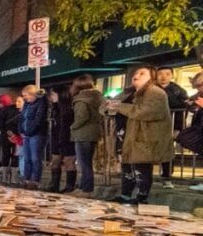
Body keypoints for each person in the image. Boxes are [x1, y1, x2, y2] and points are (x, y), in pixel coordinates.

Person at [106, 66, 171, 205]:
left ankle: (142, 197)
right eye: (136, 73)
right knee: (127, 166)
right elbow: (105, 107)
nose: (137, 75)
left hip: (144, 136)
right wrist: (108, 107)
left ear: (151, 77)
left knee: (141, 166)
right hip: (126, 135)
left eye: (142, 73)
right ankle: (125, 195)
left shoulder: (155, 92)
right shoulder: (128, 93)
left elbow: (145, 112)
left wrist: (118, 107)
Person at [69, 74, 103, 198]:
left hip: (83, 134)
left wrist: (72, 127)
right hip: (93, 133)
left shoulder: (81, 99)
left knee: (84, 164)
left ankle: (86, 189)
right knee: (87, 163)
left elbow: (82, 117)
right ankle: (84, 187)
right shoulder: (96, 97)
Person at [155, 66, 187, 188]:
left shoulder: (177, 90)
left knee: (167, 151)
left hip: (169, 125)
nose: (163, 77)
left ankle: (167, 178)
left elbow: (182, 110)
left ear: (172, 75)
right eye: (160, 74)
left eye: (167, 74)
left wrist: (178, 128)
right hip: (151, 125)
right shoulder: (150, 89)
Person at [47, 87, 76, 193]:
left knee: (69, 161)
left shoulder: (69, 109)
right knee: (55, 161)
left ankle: (69, 186)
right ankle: (54, 184)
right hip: (56, 137)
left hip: (67, 137)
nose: (51, 97)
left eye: (54, 95)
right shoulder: (54, 108)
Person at [19, 86, 48, 189]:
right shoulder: (27, 104)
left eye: (25, 95)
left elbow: (38, 119)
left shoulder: (40, 103)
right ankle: (26, 179)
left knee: (35, 158)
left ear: (32, 94)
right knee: (27, 157)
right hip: (26, 134)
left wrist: (29, 131)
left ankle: (35, 180)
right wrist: (21, 130)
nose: (24, 98)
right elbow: (22, 117)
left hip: (37, 134)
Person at [0, 94, 20, 186]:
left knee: (5, 154)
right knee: (15, 155)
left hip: (5, 135)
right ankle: (14, 178)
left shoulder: (2, 111)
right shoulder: (18, 110)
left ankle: (4, 177)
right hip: (16, 135)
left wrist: (6, 131)